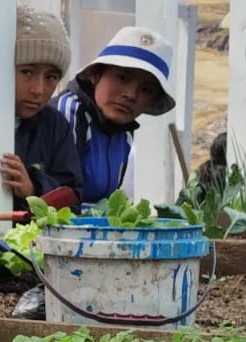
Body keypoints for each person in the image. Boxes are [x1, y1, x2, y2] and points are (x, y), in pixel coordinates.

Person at [53, 24, 178, 206]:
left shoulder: (125, 132)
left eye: (146, 89)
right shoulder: (67, 113)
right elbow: (56, 199)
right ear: (96, 75)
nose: (131, 95)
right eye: (123, 78)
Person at [0, 7, 82, 211]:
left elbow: (73, 199)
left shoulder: (55, 126)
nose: (39, 90)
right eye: (27, 72)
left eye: (51, 77)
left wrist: (34, 188)